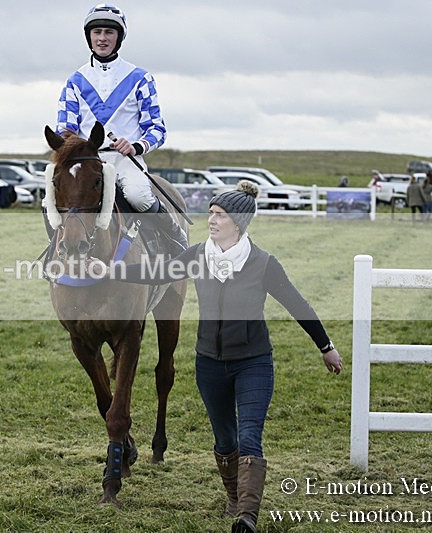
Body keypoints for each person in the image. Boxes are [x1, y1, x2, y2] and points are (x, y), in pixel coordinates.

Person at [88, 182, 342, 533]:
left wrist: (326, 347)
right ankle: (234, 499)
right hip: (209, 365)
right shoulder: (196, 256)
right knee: (225, 441)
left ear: (237, 222)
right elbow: (155, 273)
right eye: (210, 213)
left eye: (219, 215)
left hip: (254, 363)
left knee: (250, 436)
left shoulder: (263, 263)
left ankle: (247, 516)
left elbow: (298, 305)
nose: (211, 220)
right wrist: (111, 271)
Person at [56, 3, 187, 253]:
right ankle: (57, 252)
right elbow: (65, 128)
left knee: (139, 196)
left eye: (109, 32)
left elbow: (157, 129)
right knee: (50, 200)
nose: (102, 38)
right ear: (89, 37)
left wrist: (135, 145)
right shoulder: (75, 80)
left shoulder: (140, 78)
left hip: (125, 160)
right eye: (97, 33)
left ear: (119, 37)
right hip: (87, 162)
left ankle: (175, 237)